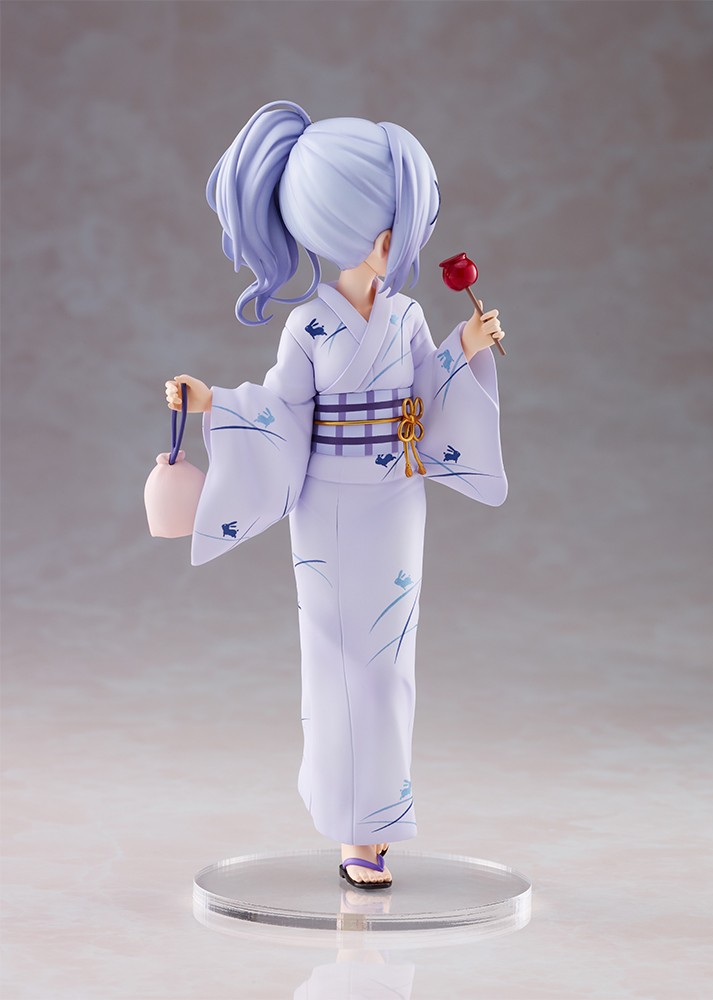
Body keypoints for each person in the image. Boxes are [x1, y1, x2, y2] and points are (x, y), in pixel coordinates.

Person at [165, 101, 506, 889]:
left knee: (389, 662)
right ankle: (351, 823)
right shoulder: (308, 329)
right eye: (390, 226)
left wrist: (463, 344)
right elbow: (280, 411)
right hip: (326, 503)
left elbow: (428, 394)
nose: (398, 243)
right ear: (354, 230)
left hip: (396, 498)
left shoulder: (408, 316)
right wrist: (213, 401)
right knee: (335, 659)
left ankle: (375, 824)